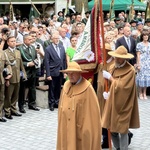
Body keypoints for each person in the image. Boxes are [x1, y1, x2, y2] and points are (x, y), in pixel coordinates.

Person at [57, 61, 101, 150]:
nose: (70, 76)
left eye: (73, 73)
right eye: (69, 73)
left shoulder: (87, 88)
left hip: (79, 129)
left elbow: (94, 114)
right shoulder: (66, 85)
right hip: (66, 127)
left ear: (79, 73)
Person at [102, 46, 140, 150]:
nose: (116, 59)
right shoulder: (113, 67)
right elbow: (111, 85)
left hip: (125, 103)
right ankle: (118, 147)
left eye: (118, 58)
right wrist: (108, 93)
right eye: (115, 57)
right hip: (113, 102)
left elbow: (123, 87)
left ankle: (124, 148)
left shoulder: (130, 70)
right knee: (112, 127)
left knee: (123, 129)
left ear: (124, 59)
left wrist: (110, 78)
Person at [4, 36, 27, 119]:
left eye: (14, 41)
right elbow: (5, 66)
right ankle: (7, 111)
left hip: (18, 77)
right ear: (8, 43)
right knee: (8, 95)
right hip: (10, 77)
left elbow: (21, 64)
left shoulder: (18, 52)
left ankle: (13, 109)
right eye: (12, 41)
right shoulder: (5, 52)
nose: (14, 42)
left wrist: (24, 73)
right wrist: (6, 78)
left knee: (15, 95)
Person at [97, 43, 114, 148]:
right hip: (100, 96)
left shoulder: (113, 65)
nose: (102, 54)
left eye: (104, 51)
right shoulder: (101, 64)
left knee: (109, 118)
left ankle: (108, 139)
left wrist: (110, 93)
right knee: (102, 117)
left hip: (108, 96)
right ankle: (105, 138)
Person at [44, 33, 67, 111]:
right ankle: (51, 103)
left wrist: (64, 72)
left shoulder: (62, 47)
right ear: (52, 39)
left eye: (58, 38)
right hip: (52, 71)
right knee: (52, 88)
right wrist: (48, 74)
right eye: (55, 38)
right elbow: (46, 62)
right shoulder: (48, 49)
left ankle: (57, 102)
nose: (57, 40)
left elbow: (63, 60)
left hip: (60, 71)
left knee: (58, 87)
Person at [17, 34, 40, 111]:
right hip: (24, 71)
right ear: (24, 40)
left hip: (33, 71)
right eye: (29, 39)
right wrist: (27, 64)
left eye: (31, 39)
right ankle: (21, 106)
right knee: (22, 89)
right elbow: (18, 62)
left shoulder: (33, 48)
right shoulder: (19, 49)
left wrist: (35, 62)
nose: (31, 41)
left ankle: (32, 104)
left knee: (32, 88)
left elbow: (36, 58)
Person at [136, 31, 150, 100]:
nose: (146, 36)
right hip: (141, 62)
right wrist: (138, 64)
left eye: (147, 35)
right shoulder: (139, 44)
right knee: (141, 78)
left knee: (146, 78)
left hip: (148, 63)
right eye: (144, 35)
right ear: (142, 37)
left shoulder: (149, 44)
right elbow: (138, 55)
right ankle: (140, 93)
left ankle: (144, 93)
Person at [0, 50, 12, 122]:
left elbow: (7, 64)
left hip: (1, 79)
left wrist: (9, 73)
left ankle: (0, 115)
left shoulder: (3, 53)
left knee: (1, 98)